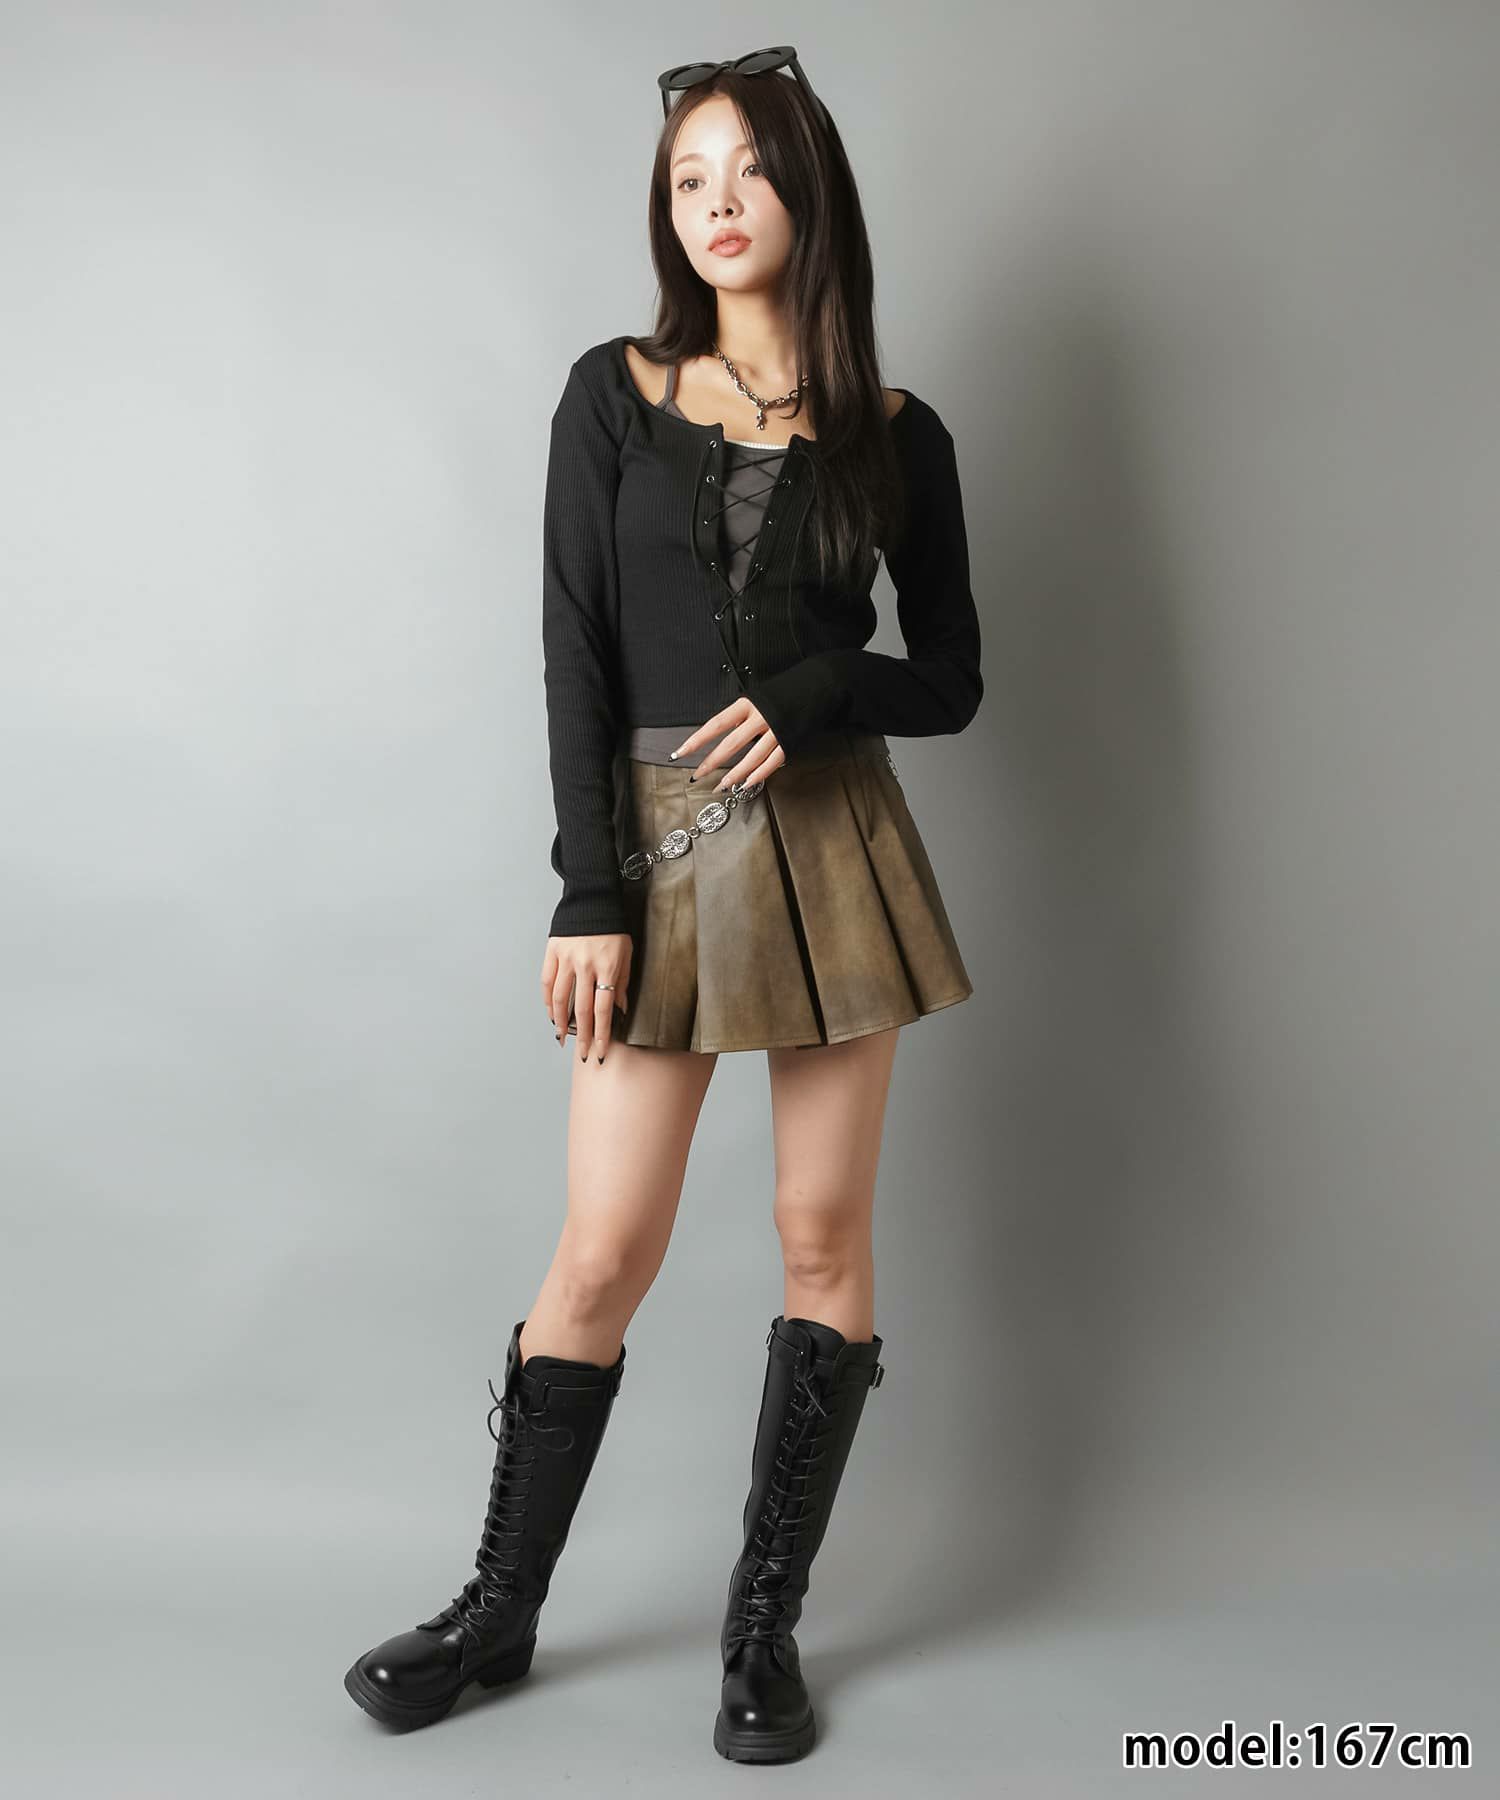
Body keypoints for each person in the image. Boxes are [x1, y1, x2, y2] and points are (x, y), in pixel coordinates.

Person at [343, 45, 982, 1766]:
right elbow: (576, 651)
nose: (715, 202)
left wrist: (823, 685)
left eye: (748, 169)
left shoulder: (897, 435)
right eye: (689, 176)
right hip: (655, 855)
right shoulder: (612, 395)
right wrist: (588, 890)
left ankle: (761, 1635)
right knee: (604, 1250)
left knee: (822, 1238)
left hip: (836, 852)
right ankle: (497, 1611)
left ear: (808, 196)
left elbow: (952, 677)